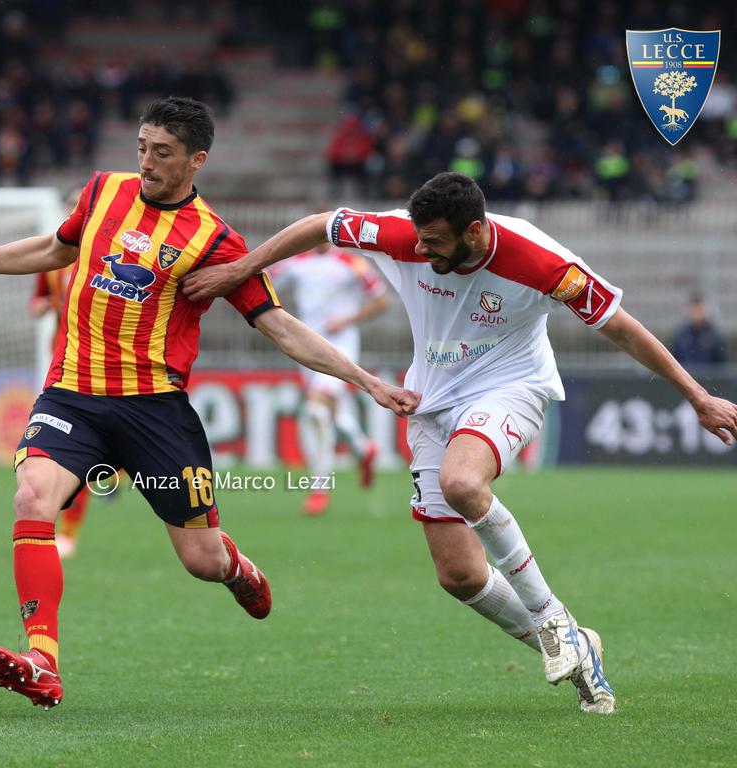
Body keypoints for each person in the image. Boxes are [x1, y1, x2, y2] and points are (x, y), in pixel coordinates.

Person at [0, 97, 419, 711]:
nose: (146, 162)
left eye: (162, 153)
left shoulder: (216, 240)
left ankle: (235, 568)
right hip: (73, 394)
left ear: (196, 160)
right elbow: (54, 250)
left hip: (155, 414)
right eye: (142, 148)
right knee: (32, 497)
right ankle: (43, 660)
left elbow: (278, 325)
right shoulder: (102, 192)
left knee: (200, 559)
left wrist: (366, 381)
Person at [181, 172, 737, 715]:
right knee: (460, 576)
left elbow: (621, 327)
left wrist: (696, 396)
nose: (421, 250)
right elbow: (320, 224)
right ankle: (577, 646)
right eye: (418, 238)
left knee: (463, 483)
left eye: (435, 241)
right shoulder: (405, 234)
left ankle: (553, 619)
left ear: (474, 230)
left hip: (510, 386)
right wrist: (243, 268)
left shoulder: (542, 262)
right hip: (430, 398)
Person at [268, 240, 391, 514]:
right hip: (307, 348)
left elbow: (382, 300)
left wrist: (347, 319)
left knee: (314, 409)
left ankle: (319, 488)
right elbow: (265, 283)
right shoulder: (297, 263)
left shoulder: (352, 264)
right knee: (329, 413)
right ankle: (364, 449)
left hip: (341, 348)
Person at [28, 184, 90, 558]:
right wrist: (40, 306)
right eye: (72, 205)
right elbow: (39, 298)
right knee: (60, 457)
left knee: (83, 454)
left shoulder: (111, 256)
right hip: (61, 364)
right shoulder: (56, 256)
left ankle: (68, 531)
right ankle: (60, 532)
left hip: (98, 368)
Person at [671, 294, 728, 368]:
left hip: (708, 375)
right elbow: (674, 361)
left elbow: (721, 366)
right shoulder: (680, 336)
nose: (697, 312)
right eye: (694, 309)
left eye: (700, 309)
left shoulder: (716, 336)